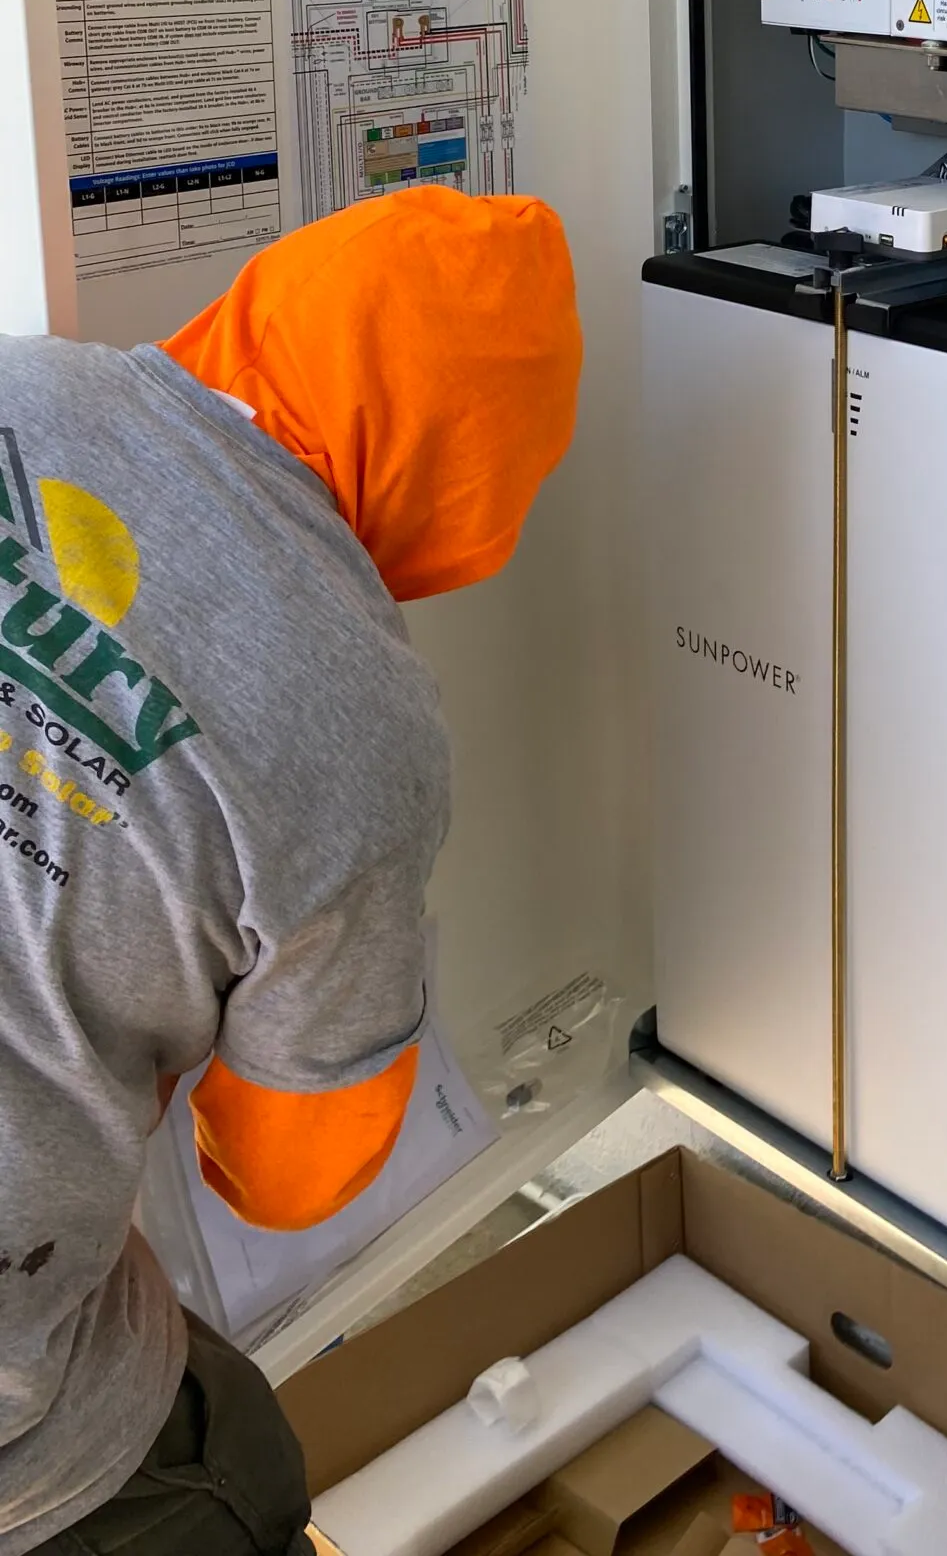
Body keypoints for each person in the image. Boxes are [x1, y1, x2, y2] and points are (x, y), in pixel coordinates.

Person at [0, 189, 582, 1554]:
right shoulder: (361, 728)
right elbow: (290, 1175)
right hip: (27, 1437)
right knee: (236, 1467)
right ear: (475, 482)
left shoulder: (24, 372)